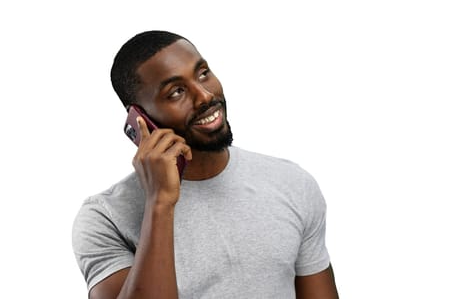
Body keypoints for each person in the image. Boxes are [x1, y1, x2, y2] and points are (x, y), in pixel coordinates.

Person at [72, 30, 339, 299]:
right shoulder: (104, 218)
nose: (205, 96)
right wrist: (160, 203)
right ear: (140, 118)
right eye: (176, 92)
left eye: (203, 74)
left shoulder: (292, 183)